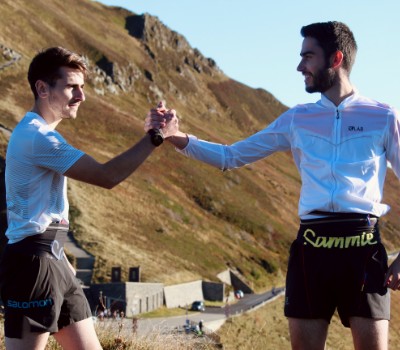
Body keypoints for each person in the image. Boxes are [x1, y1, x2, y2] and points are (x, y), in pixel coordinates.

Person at [146, 21, 400, 350]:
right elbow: (231, 156)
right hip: (312, 253)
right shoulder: (297, 118)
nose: (299, 67)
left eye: (308, 57)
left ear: (335, 59)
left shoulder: (382, 117)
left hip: (365, 253)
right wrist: (176, 137)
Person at [1, 46, 177, 350]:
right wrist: (154, 138)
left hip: (55, 260)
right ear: (42, 88)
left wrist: (64, 262)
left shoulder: (41, 134)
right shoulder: (36, 136)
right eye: (72, 86)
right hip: (32, 266)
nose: (82, 96)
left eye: (82, 87)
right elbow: (107, 176)